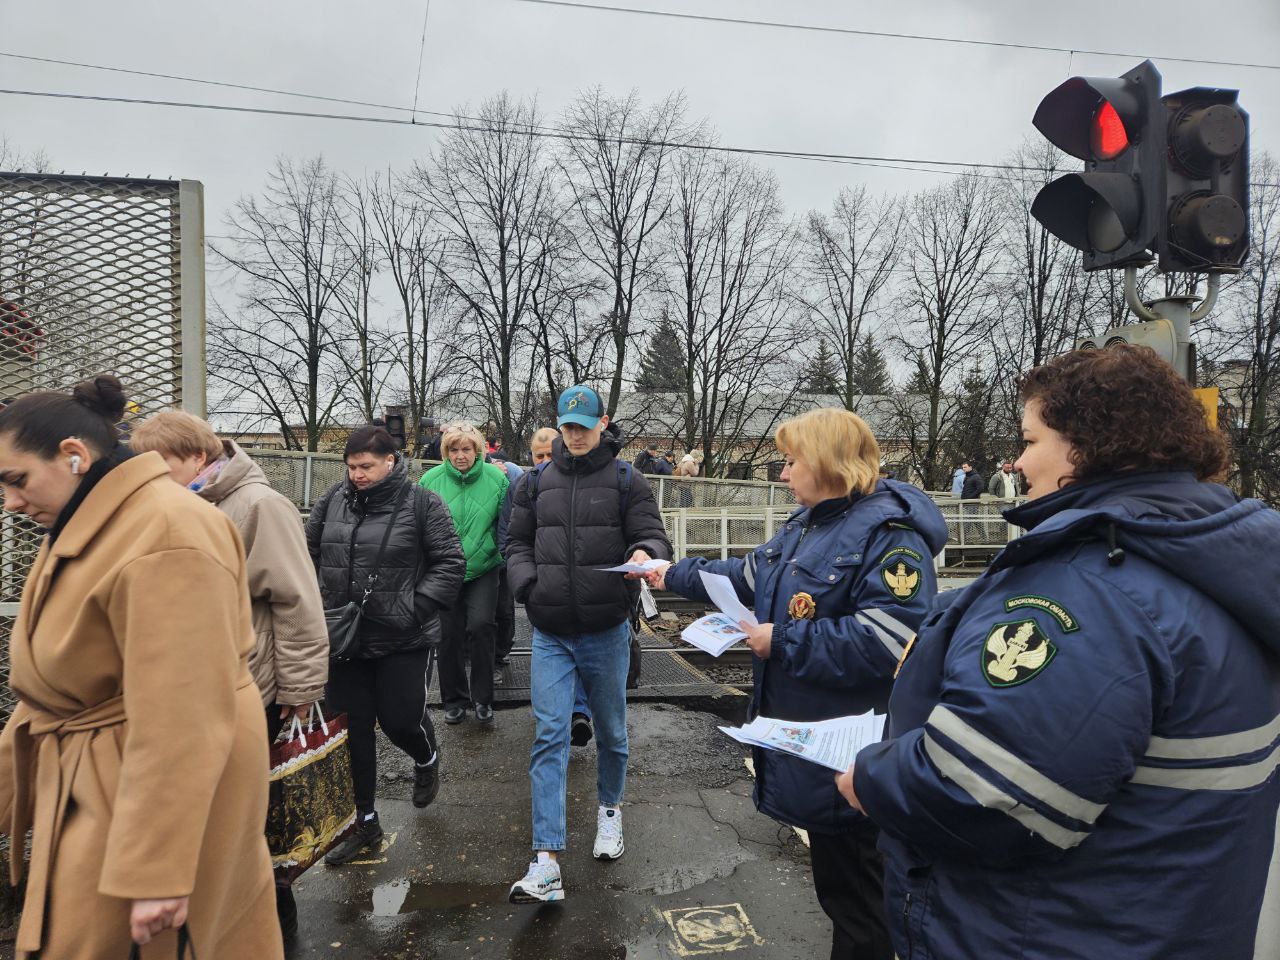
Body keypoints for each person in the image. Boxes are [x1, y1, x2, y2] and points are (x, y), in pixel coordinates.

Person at [841, 345, 1280, 960]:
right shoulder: (1206, 556)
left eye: (1030, 440)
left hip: (1048, 929)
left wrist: (870, 777)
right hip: (1164, 919)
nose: (1018, 462)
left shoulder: (1090, 587)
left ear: (1091, 443)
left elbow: (986, 792)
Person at [646, 407, 947, 960]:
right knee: (842, 893)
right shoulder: (808, 524)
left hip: (852, 753)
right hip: (816, 751)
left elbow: (891, 642)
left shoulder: (890, 539)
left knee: (862, 903)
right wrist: (669, 573)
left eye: (791, 461)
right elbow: (745, 575)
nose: (782, 474)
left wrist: (782, 641)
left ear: (827, 462)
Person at [0, 376, 284, 958]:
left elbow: (184, 714)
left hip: (144, 789)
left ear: (74, 455)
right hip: (109, 777)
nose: (10, 502)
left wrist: (157, 870)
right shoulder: (95, 518)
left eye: (16, 480)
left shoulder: (168, 531)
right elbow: (52, 693)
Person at [132, 411, 328, 946]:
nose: (150, 477)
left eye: (161, 464)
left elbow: (296, 600)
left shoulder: (259, 505)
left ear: (198, 457)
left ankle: (275, 931)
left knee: (253, 820)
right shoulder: (176, 505)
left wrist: (300, 687)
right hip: (198, 688)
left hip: (253, 687)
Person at [505, 385, 672, 903]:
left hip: (606, 629)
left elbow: (652, 534)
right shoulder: (536, 481)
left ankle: (609, 811)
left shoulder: (626, 479)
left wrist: (644, 551)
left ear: (603, 423)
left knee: (612, 733)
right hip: (551, 631)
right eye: (568, 426)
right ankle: (546, 862)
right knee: (549, 736)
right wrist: (528, 587)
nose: (575, 435)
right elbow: (515, 542)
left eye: (583, 425)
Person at [307, 425, 465, 864]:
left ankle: (426, 756)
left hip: (404, 638)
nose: (357, 475)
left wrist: (415, 608)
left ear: (390, 461)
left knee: (399, 721)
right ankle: (364, 822)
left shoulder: (422, 503)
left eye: (366, 466)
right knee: (350, 734)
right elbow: (308, 551)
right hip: (346, 638)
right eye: (351, 467)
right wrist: (319, 600)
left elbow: (450, 562)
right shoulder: (332, 501)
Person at [420, 422, 509, 725]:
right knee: (448, 634)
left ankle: (483, 698)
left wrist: (502, 553)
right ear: (446, 452)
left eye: (466, 449)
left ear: (477, 450)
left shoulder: (497, 479)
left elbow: (506, 522)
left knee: (482, 626)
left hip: (484, 566)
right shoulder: (430, 480)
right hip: (444, 569)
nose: (460, 455)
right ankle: (454, 699)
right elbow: (420, 525)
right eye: (454, 449)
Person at [490, 447, 526, 676]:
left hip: (501, 550)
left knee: (502, 607)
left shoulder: (511, 473)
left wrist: (508, 553)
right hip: (481, 552)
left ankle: (500, 651)